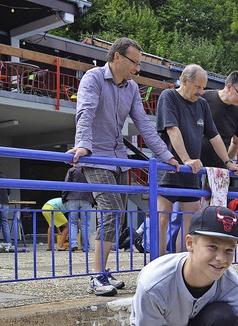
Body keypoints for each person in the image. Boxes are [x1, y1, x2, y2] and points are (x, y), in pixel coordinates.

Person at [68, 38, 180, 296]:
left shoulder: (131, 88)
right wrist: (83, 144)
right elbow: (85, 111)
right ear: (117, 57)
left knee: (117, 216)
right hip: (96, 155)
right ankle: (96, 276)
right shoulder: (93, 78)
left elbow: (144, 124)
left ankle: (103, 271)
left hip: (119, 158)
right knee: (111, 210)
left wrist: (166, 156)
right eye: (134, 62)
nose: (137, 69)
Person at [155, 64, 238, 256]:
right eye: (198, 87)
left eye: (204, 88)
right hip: (169, 167)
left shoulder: (202, 104)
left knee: (191, 221)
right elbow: (172, 129)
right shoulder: (168, 97)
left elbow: (214, 135)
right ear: (184, 81)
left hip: (191, 172)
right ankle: (157, 265)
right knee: (162, 219)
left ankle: (182, 263)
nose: (201, 92)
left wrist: (228, 162)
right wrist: (186, 159)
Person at [200, 71, 238, 170]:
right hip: (194, 161)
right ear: (229, 86)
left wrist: (227, 162)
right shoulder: (203, 98)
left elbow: (236, 142)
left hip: (218, 167)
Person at [62, 165, 94, 252]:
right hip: (87, 198)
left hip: (72, 198)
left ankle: (73, 244)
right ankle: (85, 247)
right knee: (85, 224)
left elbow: (66, 184)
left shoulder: (72, 170)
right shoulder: (89, 170)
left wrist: (64, 198)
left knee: (73, 223)